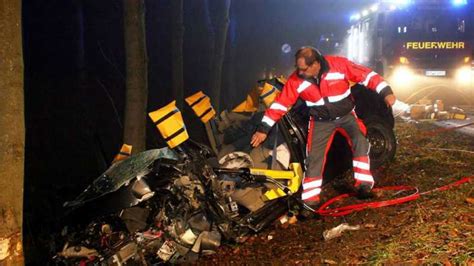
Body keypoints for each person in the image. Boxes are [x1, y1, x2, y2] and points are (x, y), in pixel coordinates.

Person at [250, 46, 396, 208]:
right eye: (298, 68)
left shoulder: (339, 65)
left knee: (360, 142)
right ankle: (310, 200)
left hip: (346, 116)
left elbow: (367, 76)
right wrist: (263, 129)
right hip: (320, 121)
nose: (300, 72)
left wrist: (386, 92)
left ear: (315, 64)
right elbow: (280, 105)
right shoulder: (296, 80)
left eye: (303, 69)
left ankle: (363, 185)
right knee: (314, 159)